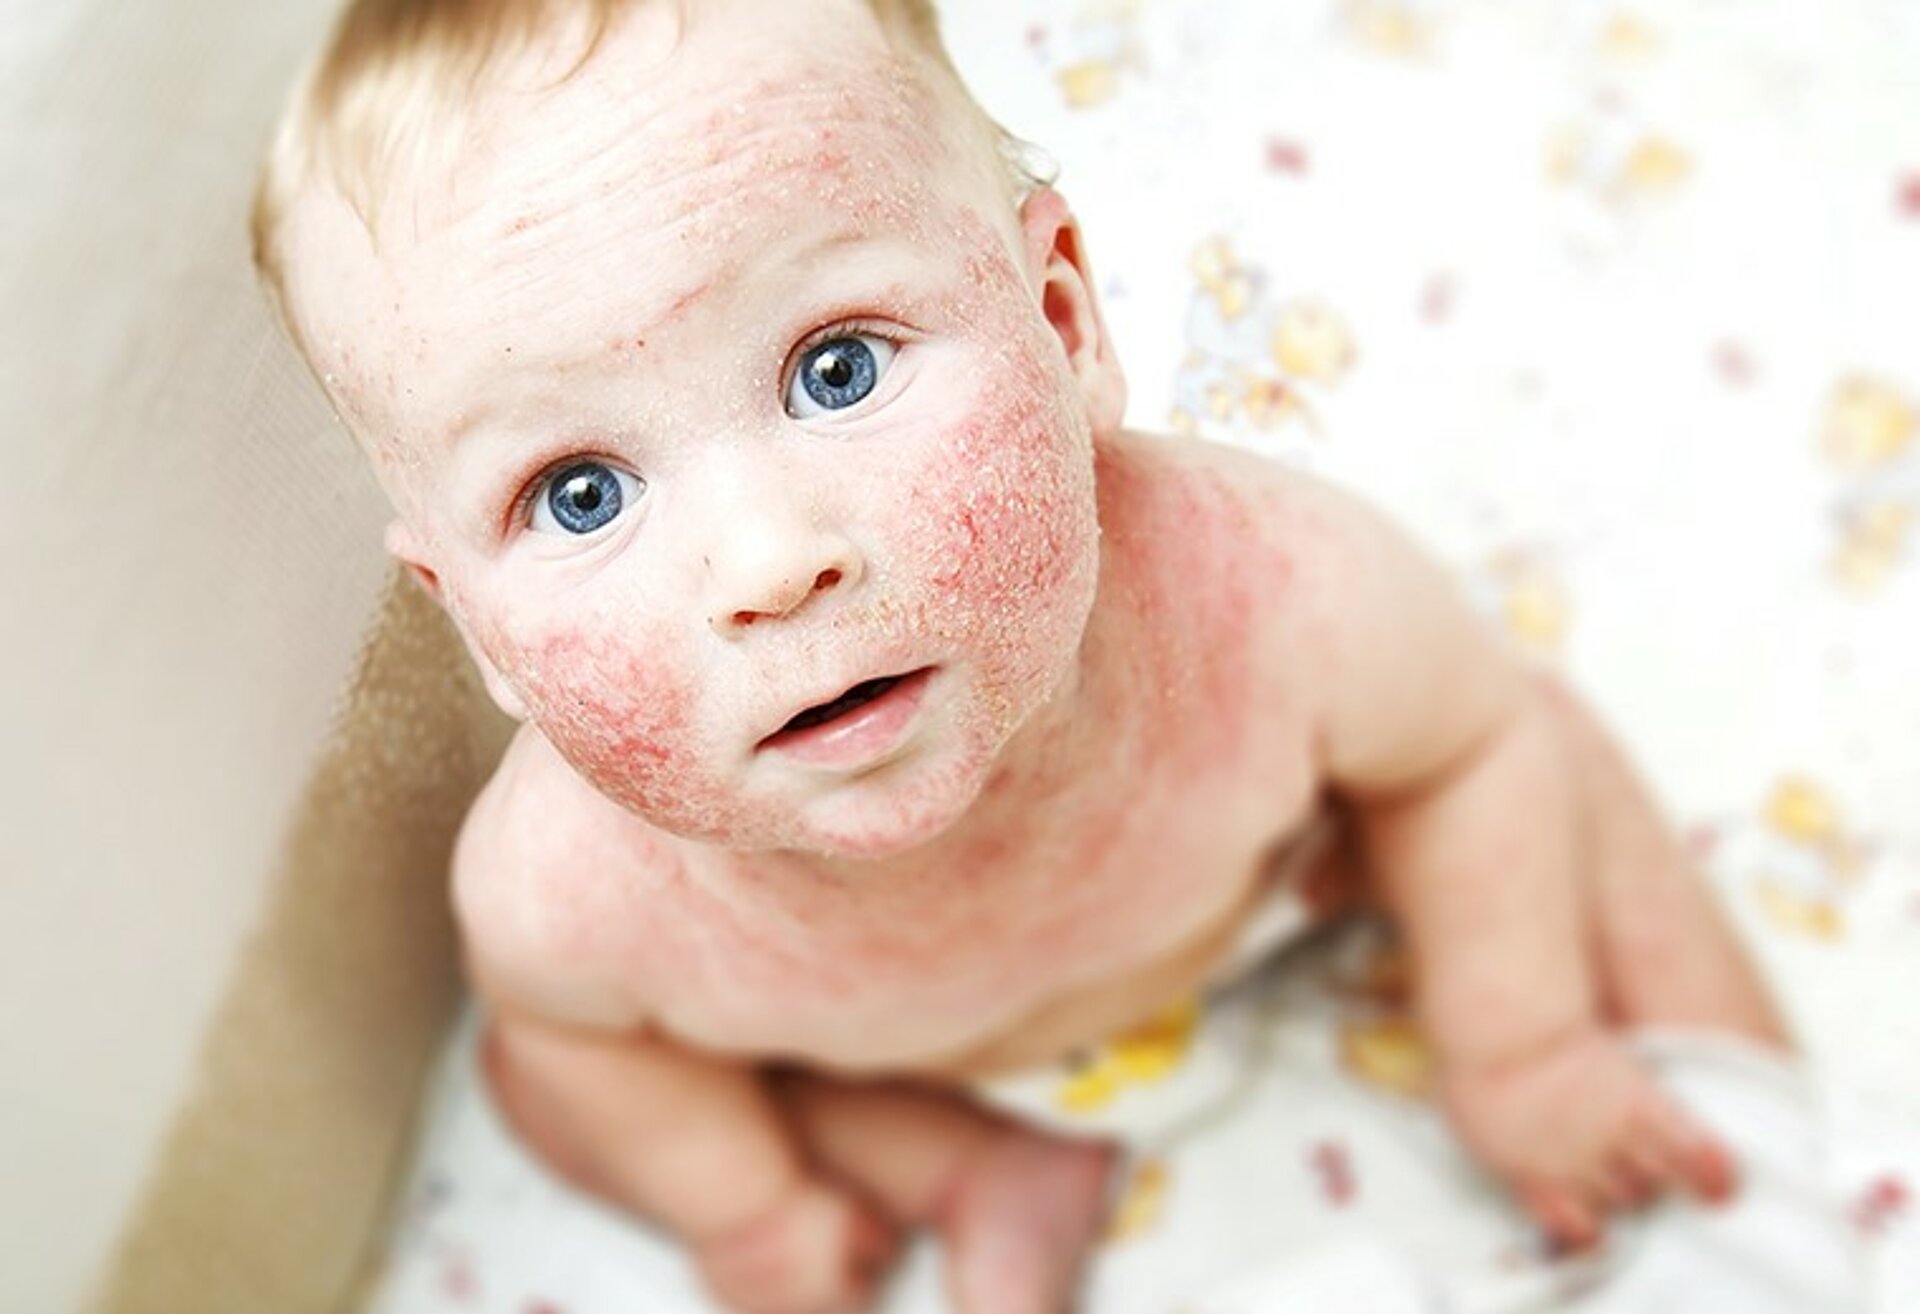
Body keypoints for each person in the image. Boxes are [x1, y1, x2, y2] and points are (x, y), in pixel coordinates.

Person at [250, 0, 1788, 1308]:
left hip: (1258, 896)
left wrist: (1518, 1040)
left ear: (1063, 322)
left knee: (1545, 741)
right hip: (903, 1064)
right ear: (476, 626)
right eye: (579, 493)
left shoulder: (1276, 592)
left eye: (836, 367)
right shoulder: (565, 890)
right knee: (546, 1084)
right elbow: (584, 1045)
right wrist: (749, 1213)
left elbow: (1469, 746)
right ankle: (982, 1169)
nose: (774, 562)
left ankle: (1769, 1158)